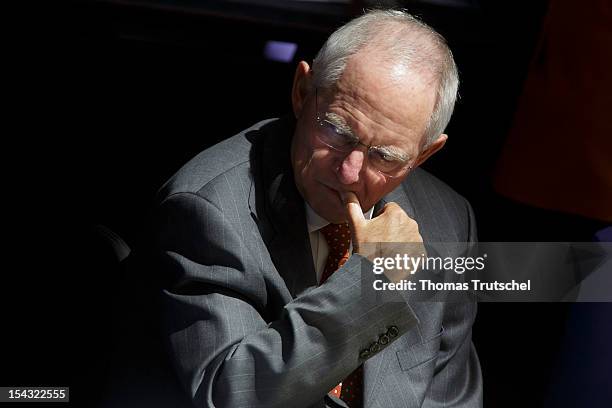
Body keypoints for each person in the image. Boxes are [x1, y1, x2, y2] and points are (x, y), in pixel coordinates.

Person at [153, 9, 482, 408]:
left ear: (425, 154)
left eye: (385, 156)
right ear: (301, 90)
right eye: (338, 132)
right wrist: (372, 286)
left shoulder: (447, 220)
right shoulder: (208, 212)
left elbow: (450, 397)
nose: (349, 171)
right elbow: (232, 394)